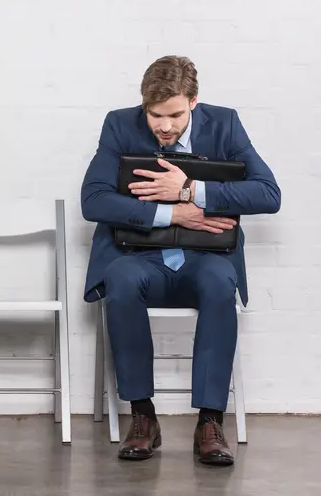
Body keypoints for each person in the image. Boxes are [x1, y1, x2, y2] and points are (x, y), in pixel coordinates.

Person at [81, 55, 280, 466]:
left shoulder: (224, 124)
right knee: (120, 279)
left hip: (205, 256)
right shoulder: (119, 124)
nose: (164, 126)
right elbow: (93, 199)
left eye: (174, 114)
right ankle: (143, 417)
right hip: (139, 255)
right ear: (143, 105)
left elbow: (268, 194)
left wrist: (189, 190)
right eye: (155, 115)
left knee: (219, 283)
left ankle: (210, 422)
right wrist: (171, 213)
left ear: (193, 101)